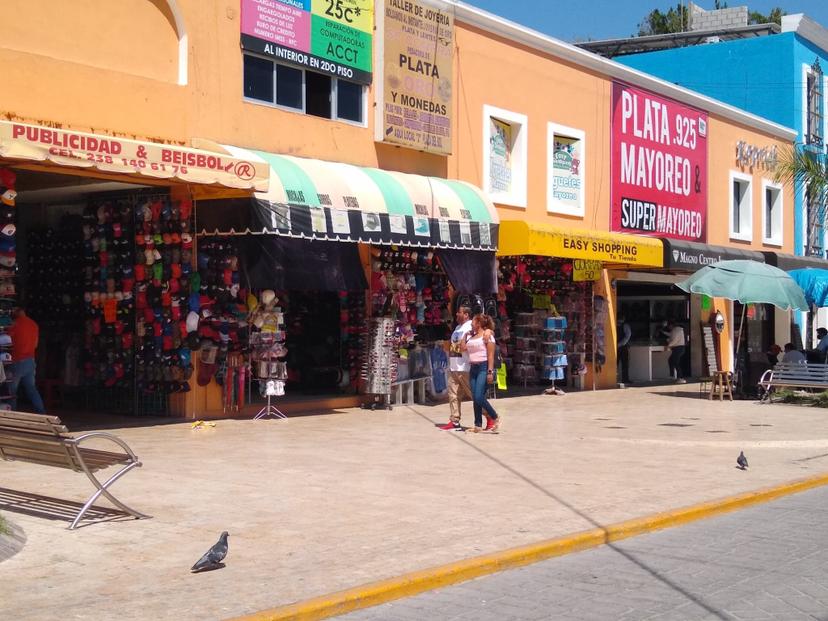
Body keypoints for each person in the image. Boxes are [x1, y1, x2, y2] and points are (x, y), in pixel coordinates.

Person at [461, 313, 501, 433]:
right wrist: (465, 335)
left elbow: (490, 355)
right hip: (473, 367)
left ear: (478, 323)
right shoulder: (471, 336)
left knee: (478, 396)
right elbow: (462, 348)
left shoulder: (487, 335)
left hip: (483, 367)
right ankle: (477, 424)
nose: (471, 323)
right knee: (475, 397)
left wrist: (490, 372)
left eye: (473, 321)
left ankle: (495, 416)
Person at [437, 304, 473, 431]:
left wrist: (454, 347)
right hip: (454, 366)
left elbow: (469, 345)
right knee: (453, 395)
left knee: (474, 395)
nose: (457, 314)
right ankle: (454, 421)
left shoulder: (470, 327)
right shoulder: (458, 327)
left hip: (465, 367)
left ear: (466, 315)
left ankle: (490, 417)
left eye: (459, 312)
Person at [7, 308, 45, 413]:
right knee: (32, 389)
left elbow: (7, 340)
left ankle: (12, 415)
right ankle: (41, 412)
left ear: (16, 313)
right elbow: (36, 345)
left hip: (17, 360)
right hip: (30, 360)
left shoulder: (14, 324)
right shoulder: (34, 324)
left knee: (12, 391)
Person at [662, 319, 686, 384]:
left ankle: (680, 378)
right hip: (678, 348)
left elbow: (674, 340)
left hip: (678, 348)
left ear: (671, 325)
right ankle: (672, 375)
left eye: (669, 326)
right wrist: (664, 332)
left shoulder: (676, 330)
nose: (668, 328)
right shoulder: (676, 330)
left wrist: (668, 346)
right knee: (671, 360)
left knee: (676, 362)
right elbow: (671, 335)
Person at [617, 315, 632, 384]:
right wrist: (620, 344)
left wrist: (616, 345)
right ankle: (625, 379)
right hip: (623, 347)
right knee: (625, 364)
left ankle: (614, 379)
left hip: (616, 347)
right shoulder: (625, 326)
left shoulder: (615, 324)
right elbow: (627, 337)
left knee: (615, 364)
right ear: (624, 318)